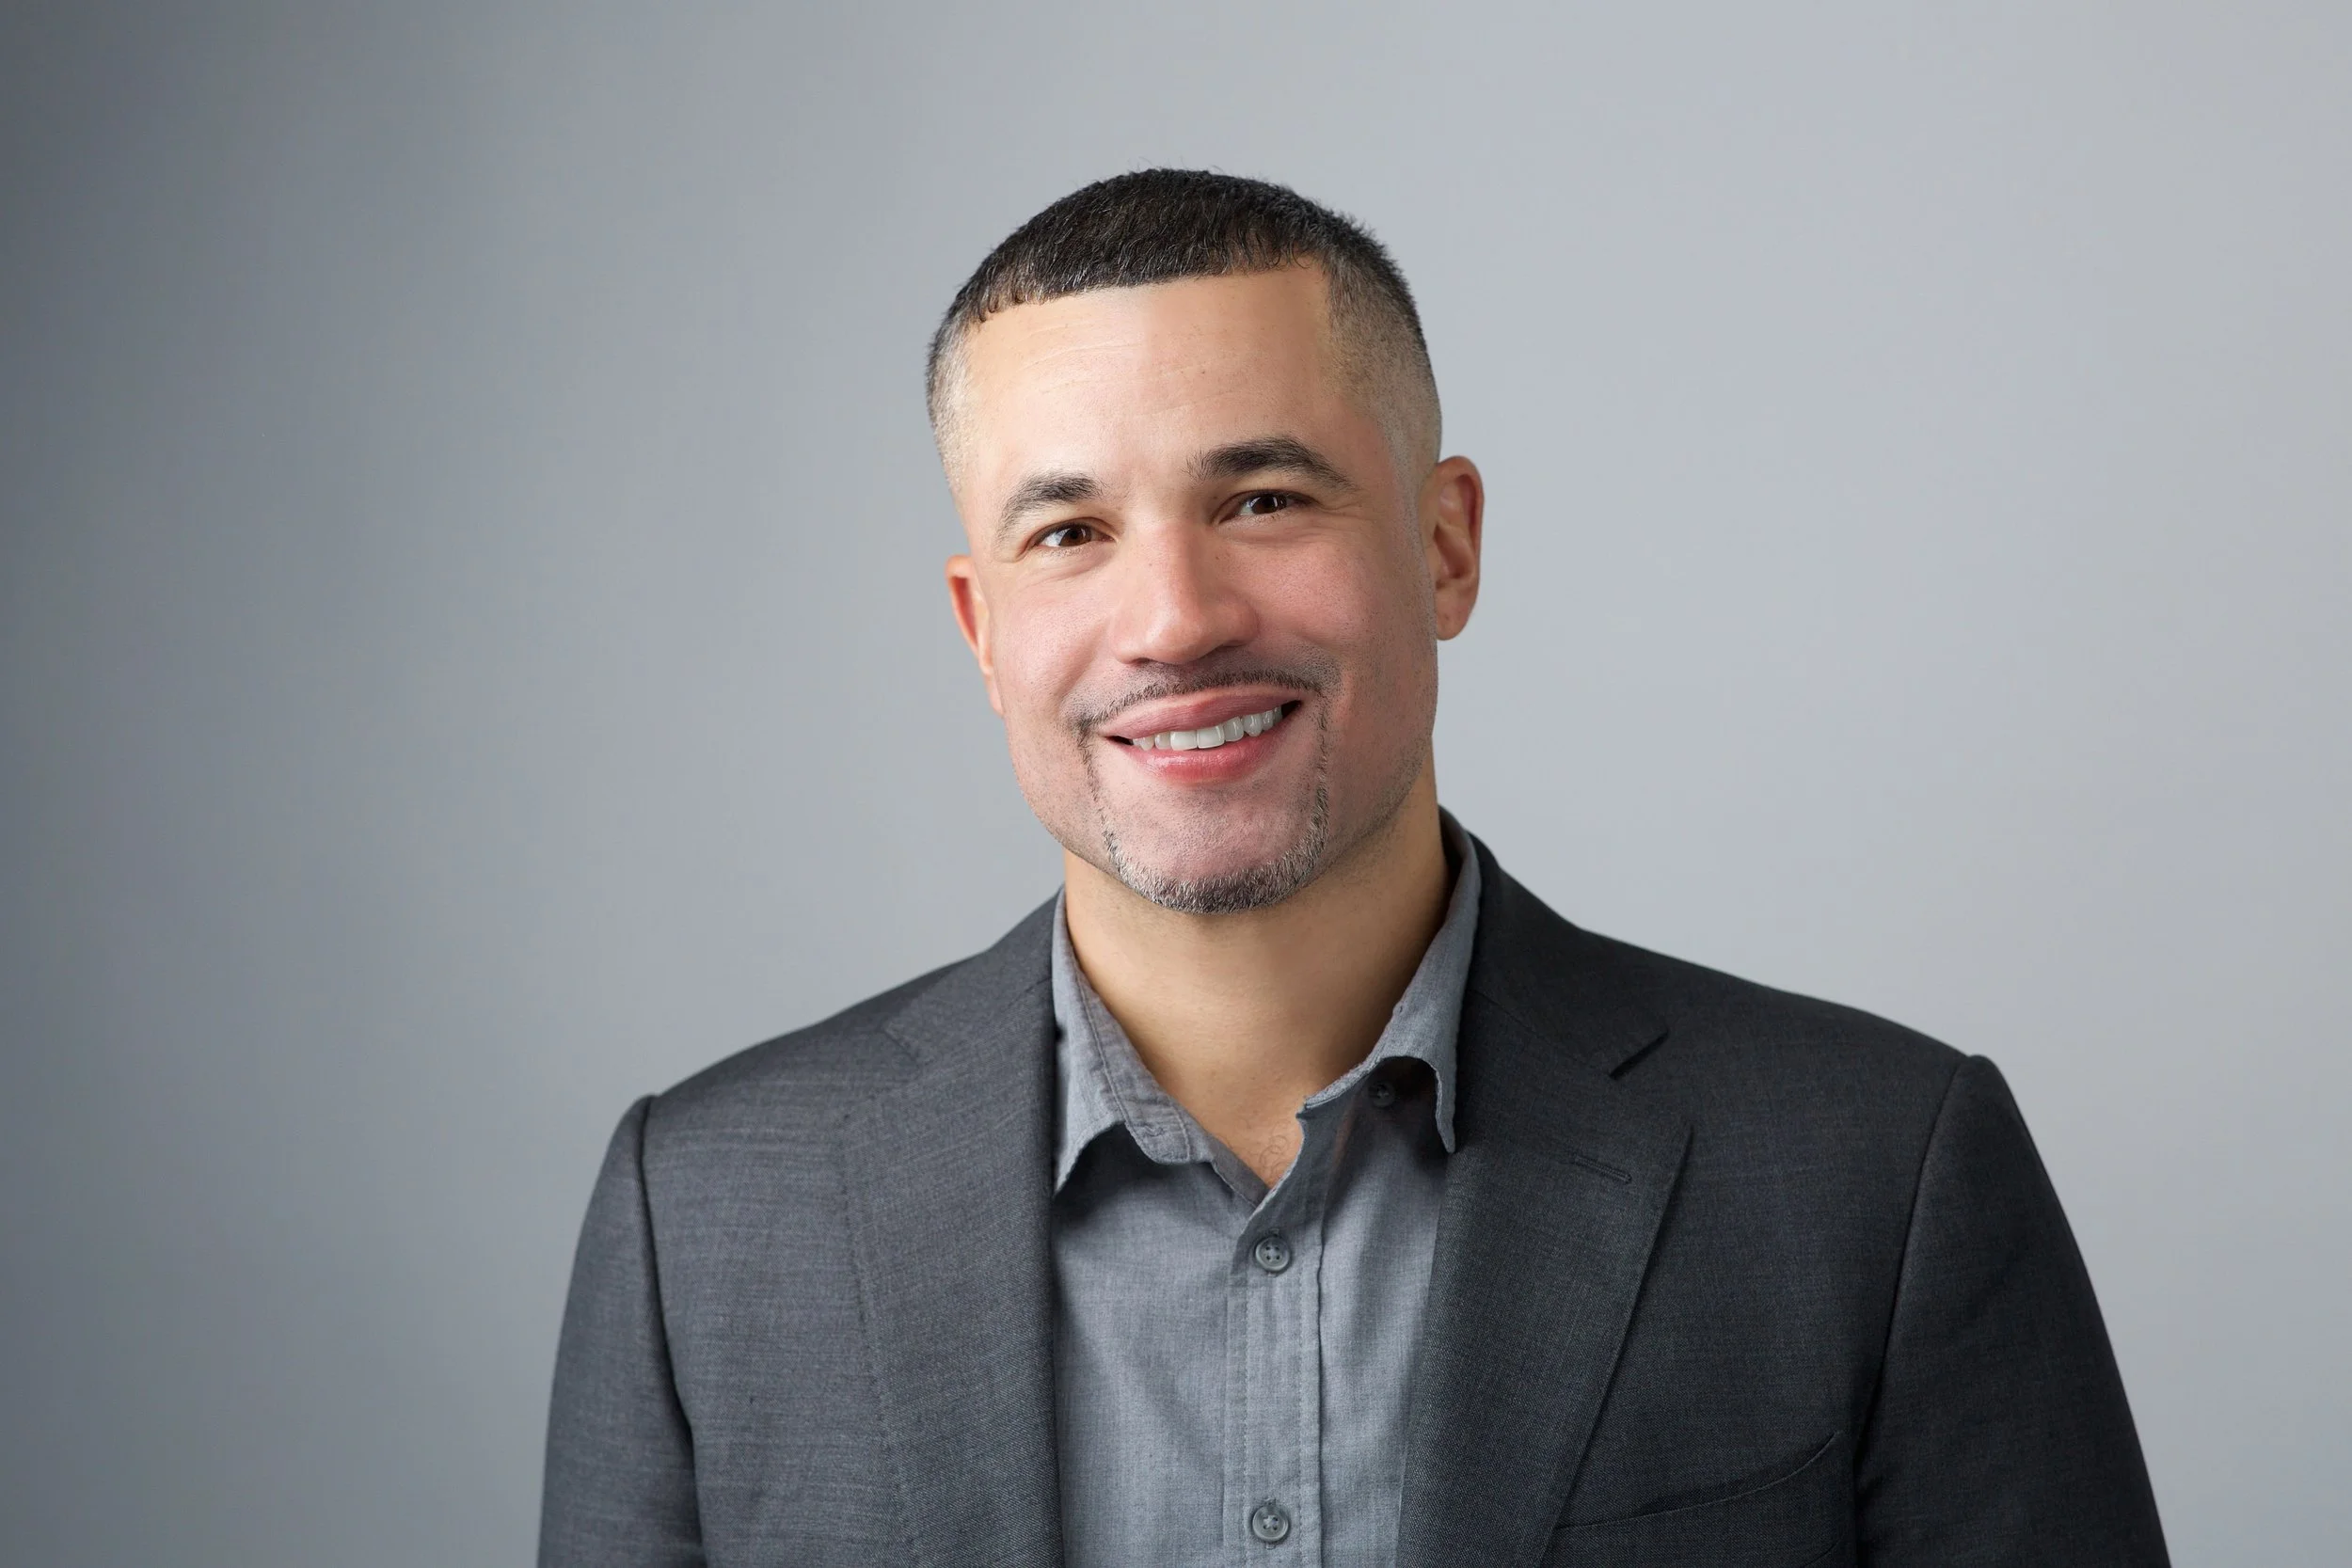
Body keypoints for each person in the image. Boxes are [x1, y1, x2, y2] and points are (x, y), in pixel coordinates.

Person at [538, 169, 2169, 1568]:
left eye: (1261, 496)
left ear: (1444, 546)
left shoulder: (1879, 1177)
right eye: (1069, 533)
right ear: (982, 627)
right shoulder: (705, 1215)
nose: (1173, 620)